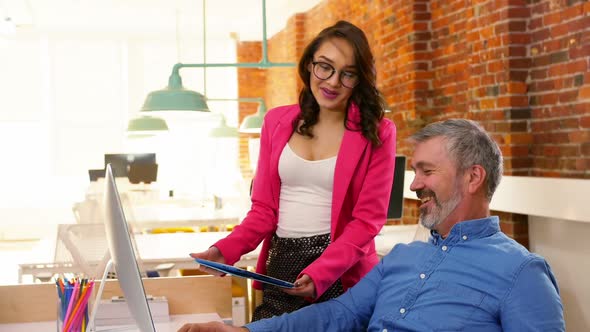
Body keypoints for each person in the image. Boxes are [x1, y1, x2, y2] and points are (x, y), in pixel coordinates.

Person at [179, 119, 565, 332]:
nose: (414, 185)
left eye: (427, 172)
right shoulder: (402, 257)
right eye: (415, 172)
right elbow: (336, 315)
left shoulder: (521, 272)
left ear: (473, 177)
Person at [190, 20, 397, 321]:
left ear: (360, 79)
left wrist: (321, 272)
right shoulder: (276, 122)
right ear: (309, 65)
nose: (333, 82)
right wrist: (223, 252)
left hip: (342, 270)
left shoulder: (378, 132)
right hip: (282, 265)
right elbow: (263, 210)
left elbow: (366, 222)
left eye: (347, 74)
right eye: (325, 67)